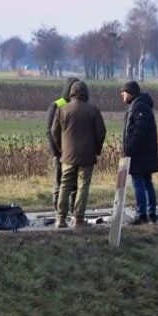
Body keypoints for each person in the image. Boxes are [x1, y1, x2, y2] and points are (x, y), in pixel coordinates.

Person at [51, 80, 106, 228]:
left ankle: (60, 219)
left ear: (71, 93)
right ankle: (78, 219)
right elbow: (101, 132)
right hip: (87, 156)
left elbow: (54, 132)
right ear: (86, 93)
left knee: (65, 185)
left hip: (67, 156)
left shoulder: (62, 109)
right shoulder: (93, 110)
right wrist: (96, 149)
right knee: (83, 186)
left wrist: (61, 149)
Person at [120, 80, 158, 225]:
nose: (122, 95)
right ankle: (151, 214)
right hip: (145, 154)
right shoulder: (141, 105)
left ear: (130, 92)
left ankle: (142, 214)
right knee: (147, 183)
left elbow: (139, 130)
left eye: (124, 92)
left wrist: (129, 148)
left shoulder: (138, 107)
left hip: (139, 155)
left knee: (139, 183)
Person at [46, 77, 79, 212]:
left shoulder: (77, 105)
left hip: (74, 153)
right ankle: (58, 211)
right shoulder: (56, 105)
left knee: (75, 184)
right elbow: (49, 131)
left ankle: (73, 210)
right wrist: (56, 152)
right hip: (60, 153)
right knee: (59, 183)